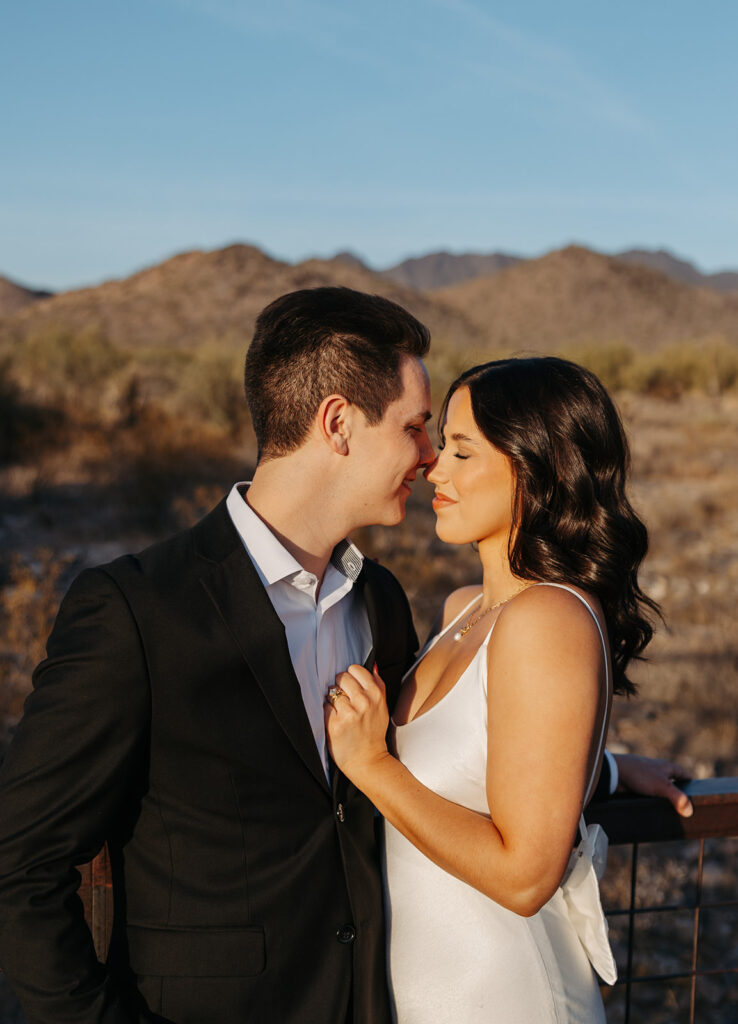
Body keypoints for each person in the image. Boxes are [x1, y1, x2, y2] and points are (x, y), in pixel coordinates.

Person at [0, 292, 689, 1024]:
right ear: (338, 424)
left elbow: (459, 762)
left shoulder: (380, 604)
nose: (428, 460)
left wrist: (597, 769)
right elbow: (20, 862)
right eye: (417, 430)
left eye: (449, 442)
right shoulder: (139, 610)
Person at [324, 356, 673, 1023]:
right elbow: (490, 764)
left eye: (460, 450)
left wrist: (370, 766)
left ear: (536, 467)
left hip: (509, 999)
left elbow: (524, 875)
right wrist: (610, 771)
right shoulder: (462, 608)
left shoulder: (548, 620)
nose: (434, 467)